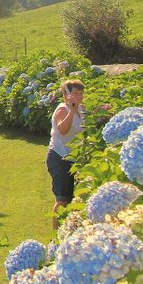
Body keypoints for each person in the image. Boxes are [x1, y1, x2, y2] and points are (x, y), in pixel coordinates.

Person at [47, 79, 84, 227]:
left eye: (81, 93)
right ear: (66, 95)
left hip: (73, 158)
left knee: (72, 198)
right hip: (59, 157)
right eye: (75, 93)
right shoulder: (63, 109)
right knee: (62, 199)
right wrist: (72, 110)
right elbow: (63, 130)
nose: (79, 96)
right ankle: (55, 235)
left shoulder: (81, 109)